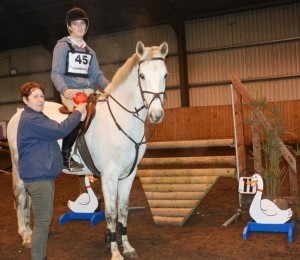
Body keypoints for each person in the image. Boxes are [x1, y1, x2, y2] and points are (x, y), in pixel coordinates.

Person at [17, 82, 87, 260]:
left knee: (43, 221)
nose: (40, 100)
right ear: (25, 100)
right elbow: (60, 130)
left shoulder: (35, 116)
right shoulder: (32, 119)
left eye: (41, 96)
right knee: (42, 223)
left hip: (41, 175)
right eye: (35, 97)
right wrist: (78, 112)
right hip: (39, 178)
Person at [51, 7, 110, 172]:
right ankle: (66, 156)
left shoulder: (90, 51)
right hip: (72, 92)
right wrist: (64, 89)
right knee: (81, 113)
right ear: (69, 27)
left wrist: (112, 87)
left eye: (83, 23)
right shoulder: (62, 47)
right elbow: (56, 73)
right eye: (75, 24)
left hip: (90, 92)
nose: (80, 26)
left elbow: (97, 75)